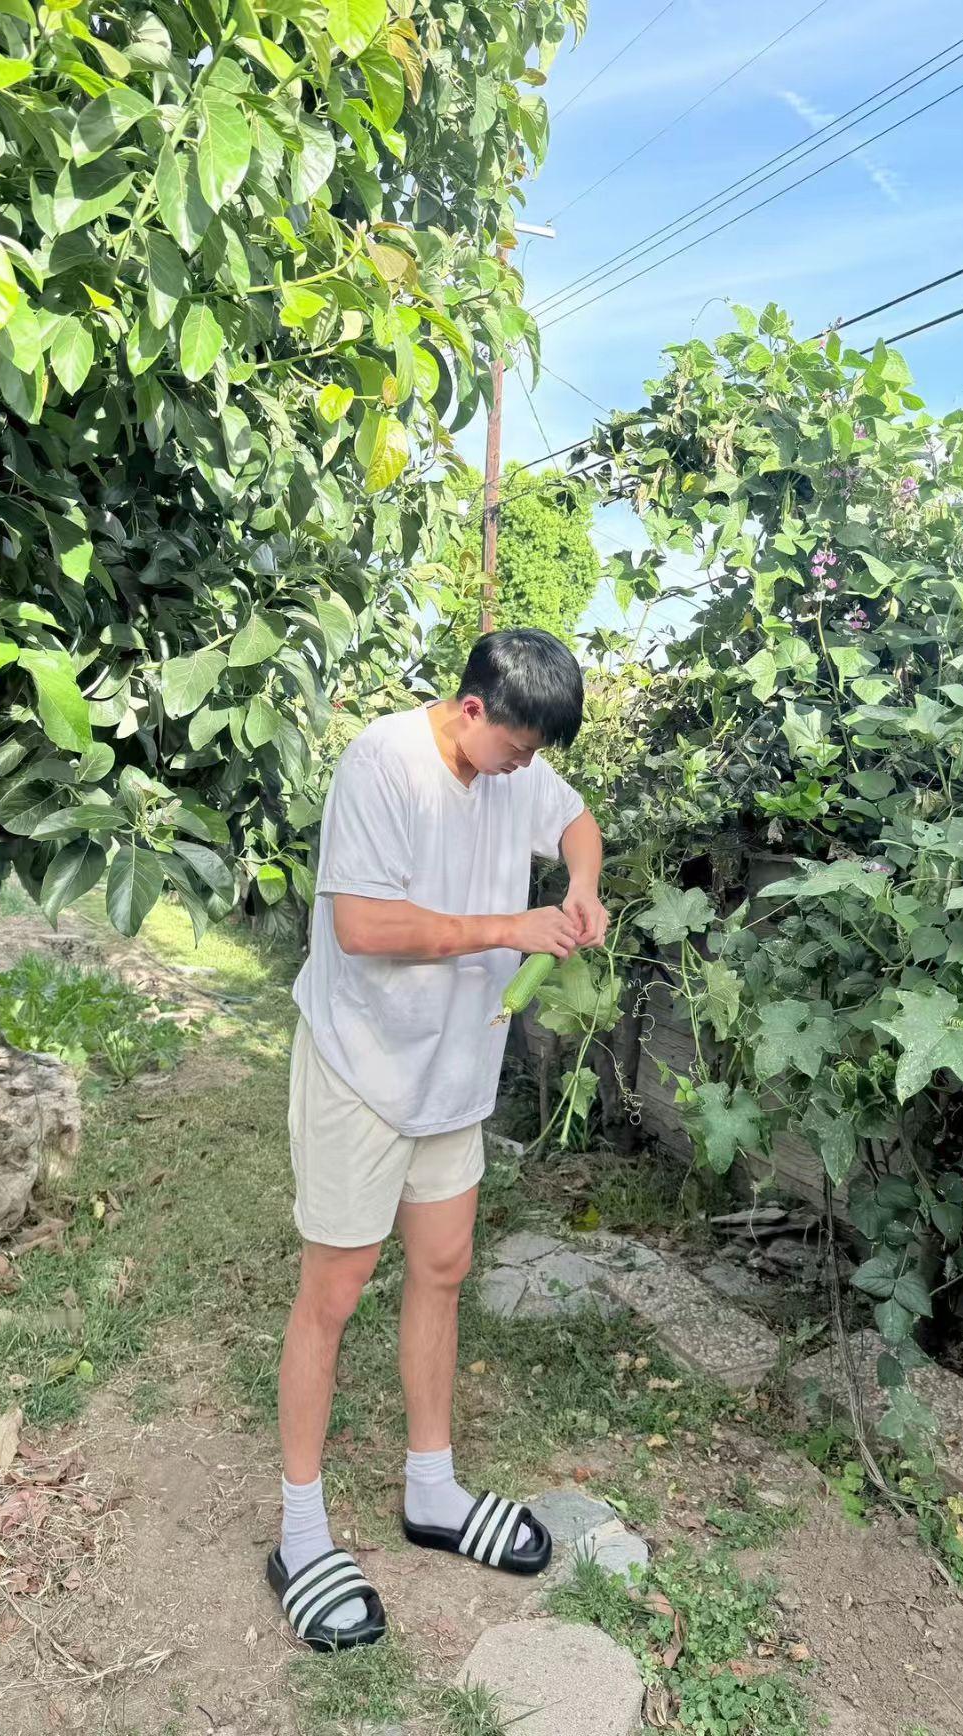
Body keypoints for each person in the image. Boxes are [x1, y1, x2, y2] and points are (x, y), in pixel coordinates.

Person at [266, 628, 608, 1652]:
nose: (522, 769)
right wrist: (509, 926)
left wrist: (580, 887)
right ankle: (299, 1533)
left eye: (535, 755)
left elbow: (577, 822)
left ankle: (432, 1490)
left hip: (452, 1075)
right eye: (515, 748)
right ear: (470, 710)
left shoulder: (516, 765)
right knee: (333, 1292)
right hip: (362, 1065)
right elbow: (362, 926)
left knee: (445, 1267)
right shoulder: (382, 763)